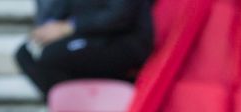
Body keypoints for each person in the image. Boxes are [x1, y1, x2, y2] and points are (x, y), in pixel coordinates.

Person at [14, 0, 154, 96]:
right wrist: (48, 28)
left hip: (120, 41)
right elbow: (59, 10)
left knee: (52, 57)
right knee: (25, 54)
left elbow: (119, 17)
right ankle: (71, 105)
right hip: (87, 37)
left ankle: (77, 105)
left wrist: (68, 27)